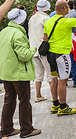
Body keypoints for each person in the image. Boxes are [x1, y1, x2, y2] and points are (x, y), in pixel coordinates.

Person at [0, 8, 41, 138]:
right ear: (22, 20)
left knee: (9, 100)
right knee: (24, 101)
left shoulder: (3, 32)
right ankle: (26, 129)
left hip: (6, 72)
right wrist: (32, 49)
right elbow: (23, 56)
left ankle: (6, 129)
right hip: (19, 73)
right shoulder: (18, 34)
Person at [28, 0, 53, 102]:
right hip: (44, 50)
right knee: (50, 74)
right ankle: (55, 97)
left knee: (38, 74)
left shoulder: (32, 18)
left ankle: (38, 95)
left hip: (33, 49)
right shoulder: (46, 18)